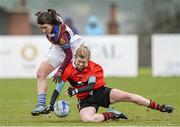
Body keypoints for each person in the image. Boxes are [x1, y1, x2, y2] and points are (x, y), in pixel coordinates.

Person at [43, 45, 173, 122]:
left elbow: (91, 86)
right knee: (88, 120)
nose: (81, 65)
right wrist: (50, 104)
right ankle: (113, 114)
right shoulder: (68, 69)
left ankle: (160, 107)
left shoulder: (95, 67)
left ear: (88, 60)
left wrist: (75, 91)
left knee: (128, 96)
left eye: (84, 62)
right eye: (79, 62)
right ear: (74, 59)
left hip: (101, 93)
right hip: (85, 101)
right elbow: (58, 88)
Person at [31, 9, 84, 116]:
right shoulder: (51, 20)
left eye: (45, 27)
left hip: (73, 51)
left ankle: (95, 104)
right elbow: (51, 16)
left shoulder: (61, 35)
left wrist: (60, 71)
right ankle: (40, 105)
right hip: (58, 49)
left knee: (77, 81)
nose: (43, 30)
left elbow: (68, 55)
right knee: (40, 73)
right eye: (41, 28)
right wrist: (42, 14)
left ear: (51, 24)